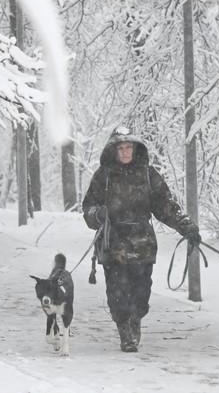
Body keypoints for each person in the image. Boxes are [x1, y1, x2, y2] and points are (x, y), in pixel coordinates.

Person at [82, 126, 201, 353]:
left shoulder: (148, 174)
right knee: (117, 291)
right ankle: (125, 330)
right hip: (113, 244)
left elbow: (165, 206)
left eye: (129, 147)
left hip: (143, 244)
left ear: (135, 150)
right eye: (121, 148)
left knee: (141, 292)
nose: (125, 152)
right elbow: (88, 207)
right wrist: (97, 214)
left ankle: (135, 319)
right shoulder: (104, 175)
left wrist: (186, 226)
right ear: (114, 151)